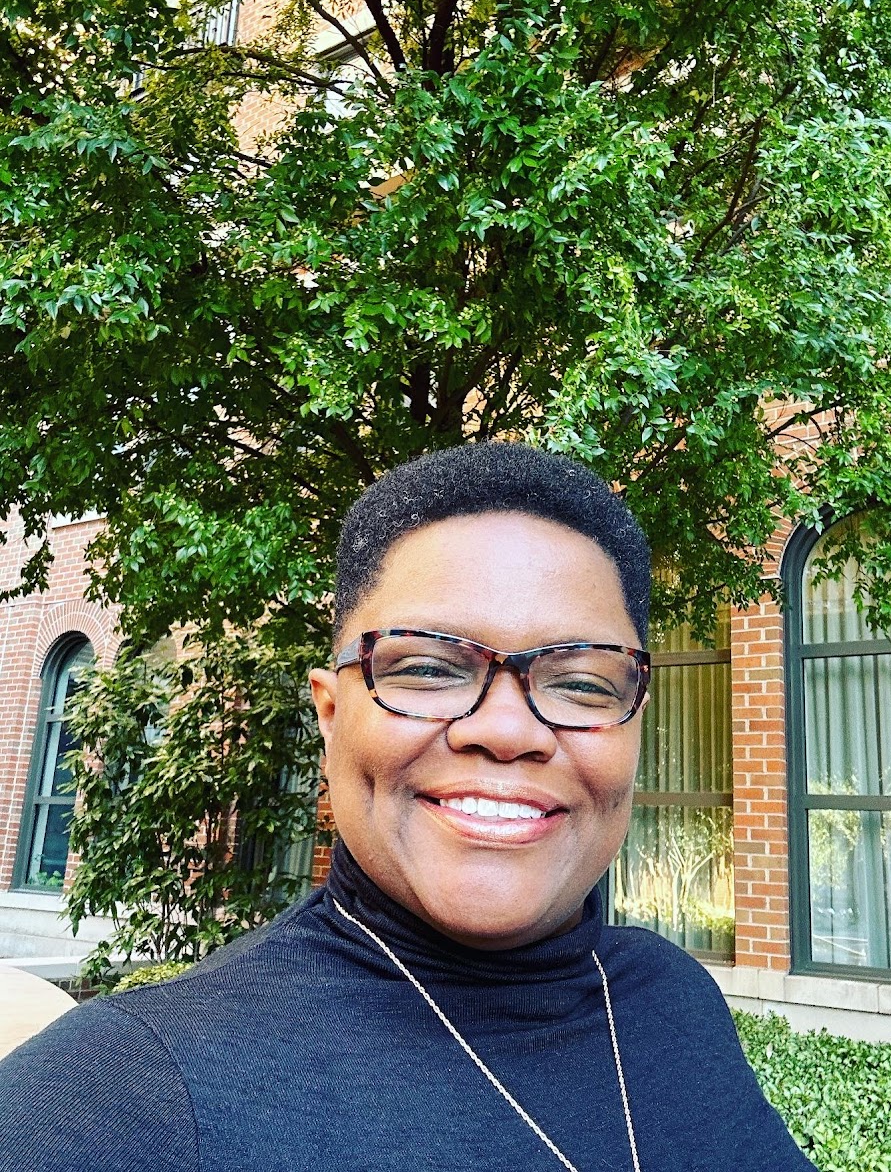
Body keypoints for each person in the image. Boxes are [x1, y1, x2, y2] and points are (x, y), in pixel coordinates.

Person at [0, 442, 818, 1172]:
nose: (507, 731)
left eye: (580, 683)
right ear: (330, 715)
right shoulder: (116, 1099)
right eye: (427, 669)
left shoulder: (670, 1001)